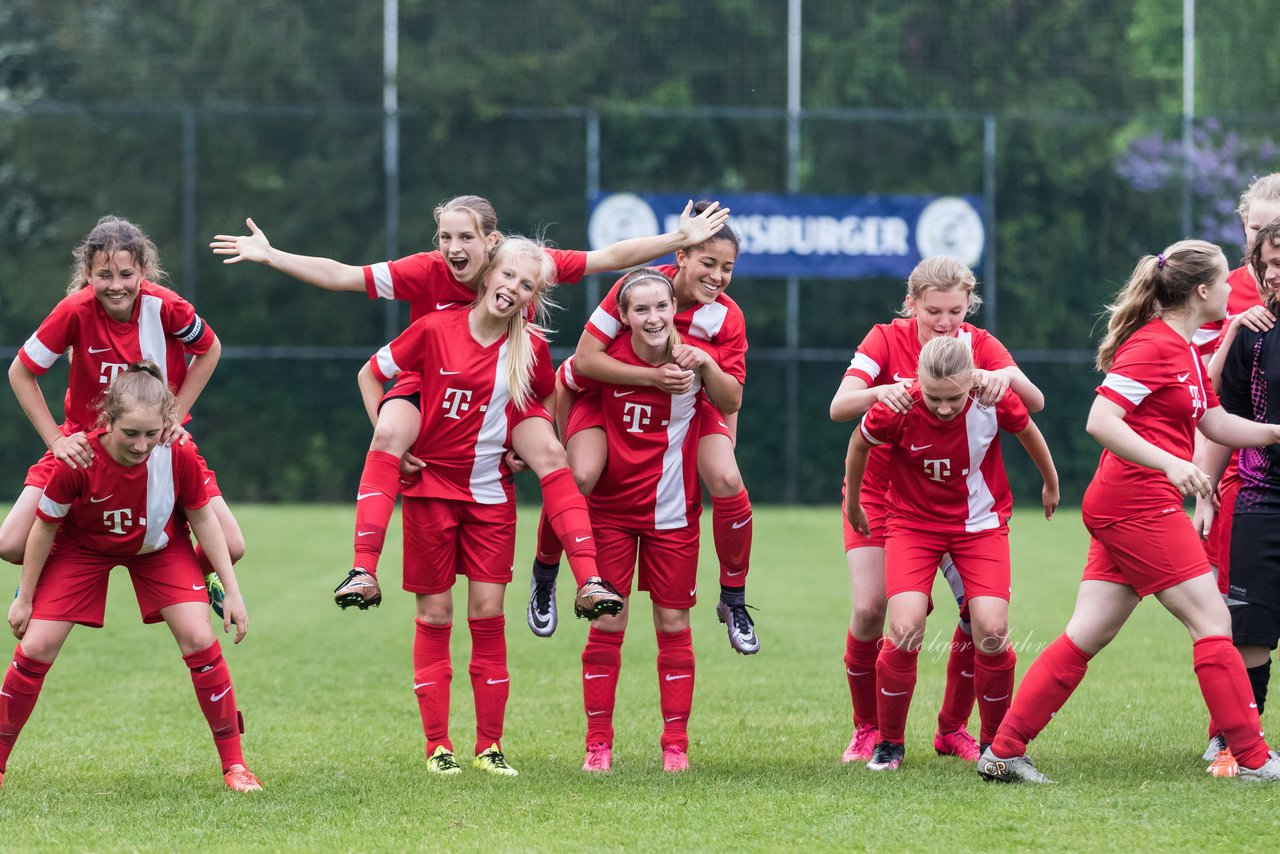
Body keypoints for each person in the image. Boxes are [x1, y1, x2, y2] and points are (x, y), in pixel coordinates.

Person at [210, 197, 728, 612]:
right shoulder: (426, 271)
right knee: (389, 434)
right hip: (431, 383)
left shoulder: (519, 267)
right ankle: (363, 568)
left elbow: (606, 258)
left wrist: (677, 239)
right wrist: (272, 255)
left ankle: (584, 580)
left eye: (465, 237)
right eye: (446, 237)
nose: (453, 248)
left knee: (551, 454)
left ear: (491, 243)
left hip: (504, 385)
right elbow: (344, 275)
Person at [979, 240, 1280, 784]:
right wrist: (1172, 464)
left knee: (1086, 633)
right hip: (1136, 503)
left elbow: (1214, 423)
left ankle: (1002, 752)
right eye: (1225, 282)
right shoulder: (1153, 345)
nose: (1236, 290)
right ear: (1204, 291)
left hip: (1130, 502)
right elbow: (1101, 420)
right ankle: (1255, 760)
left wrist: (1277, 431)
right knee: (1213, 621)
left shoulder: (1184, 346)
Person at [358, 236, 596, 776]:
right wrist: (394, 435)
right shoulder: (435, 329)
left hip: (490, 497)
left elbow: (541, 398)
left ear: (533, 296)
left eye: (526, 284)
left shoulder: (530, 349)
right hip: (431, 496)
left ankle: (489, 747)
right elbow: (373, 373)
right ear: (487, 277)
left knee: (488, 615)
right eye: (507, 277)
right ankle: (437, 748)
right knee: (434, 615)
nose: (512, 288)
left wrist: (522, 444)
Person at [1, 362, 259, 792]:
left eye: (151, 433)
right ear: (108, 421)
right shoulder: (78, 458)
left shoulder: (178, 452)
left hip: (159, 549)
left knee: (198, 637)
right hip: (82, 550)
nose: (142, 445)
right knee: (38, 645)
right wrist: (24, 598)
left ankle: (235, 766)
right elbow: (44, 528)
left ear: (167, 425)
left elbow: (204, 520)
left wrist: (233, 592)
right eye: (130, 433)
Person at [829, 256, 1045, 764]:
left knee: (980, 618)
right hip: (880, 494)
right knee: (870, 610)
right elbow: (841, 405)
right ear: (911, 305)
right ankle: (869, 729)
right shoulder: (884, 339)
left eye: (956, 310)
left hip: (956, 505)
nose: (946, 322)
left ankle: (953, 728)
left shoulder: (979, 346)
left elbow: (1032, 402)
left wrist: (1000, 378)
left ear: (969, 304)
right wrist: (892, 390)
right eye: (933, 312)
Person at [529, 205, 757, 657]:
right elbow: (585, 360)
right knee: (580, 476)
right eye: (708, 263)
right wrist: (651, 377)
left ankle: (733, 597)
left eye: (727, 267)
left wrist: (706, 363)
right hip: (609, 396)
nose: (717, 276)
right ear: (682, 258)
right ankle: (545, 572)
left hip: (686, 407)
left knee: (729, 479)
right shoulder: (640, 289)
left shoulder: (726, 317)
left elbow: (731, 400)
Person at [1, 216, 240, 617]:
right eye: (105, 275)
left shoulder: (166, 307)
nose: (117, 285)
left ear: (142, 272)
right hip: (84, 447)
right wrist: (57, 442)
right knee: (9, 544)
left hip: (154, 443)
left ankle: (198, 578)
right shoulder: (74, 311)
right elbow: (20, 372)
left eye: (126, 274)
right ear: (88, 275)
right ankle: (46, 579)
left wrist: (174, 416)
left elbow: (210, 349)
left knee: (231, 547)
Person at [558, 269, 713, 772]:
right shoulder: (605, 363)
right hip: (611, 516)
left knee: (673, 624)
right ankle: (598, 744)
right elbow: (566, 379)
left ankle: (675, 746)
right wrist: (562, 441)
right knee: (609, 620)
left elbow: (732, 399)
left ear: (675, 309)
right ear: (623, 317)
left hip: (673, 514)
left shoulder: (692, 357)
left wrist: (707, 365)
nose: (653, 317)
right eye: (640, 309)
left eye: (661, 307)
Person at [1192, 175, 1280, 773]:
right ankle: (1234, 739)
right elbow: (1217, 413)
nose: (1270, 271)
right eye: (1262, 250)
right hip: (1257, 491)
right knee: (1243, 617)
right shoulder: (1241, 314)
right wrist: (1202, 487)